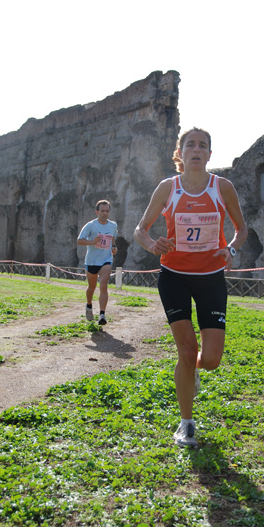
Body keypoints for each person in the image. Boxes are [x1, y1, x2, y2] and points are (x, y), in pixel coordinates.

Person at [134, 128, 247, 447]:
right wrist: (153, 244)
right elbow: (140, 229)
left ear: (210, 154)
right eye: (190, 145)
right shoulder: (167, 188)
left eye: (203, 146)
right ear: (180, 153)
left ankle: (193, 369)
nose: (197, 150)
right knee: (186, 349)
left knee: (209, 358)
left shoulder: (222, 187)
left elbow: (241, 229)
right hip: (174, 275)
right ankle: (186, 423)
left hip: (211, 277)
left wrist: (232, 250)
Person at [77, 200, 118, 326]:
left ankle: (102, 314)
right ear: (97, 212)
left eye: (107, 211)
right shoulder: (90, 225)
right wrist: (92, 242)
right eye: (102, 211)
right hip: (92, 261)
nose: (105, 213)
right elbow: (80, 241)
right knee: (91, 288)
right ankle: (89, 305)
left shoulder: (113, 225)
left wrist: (114, 247)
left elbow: (113, 238)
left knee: (104, 285)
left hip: (106, 260)